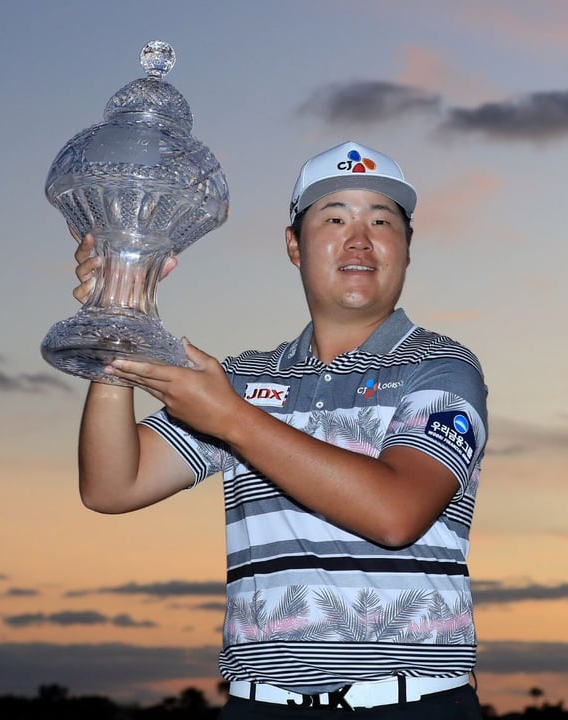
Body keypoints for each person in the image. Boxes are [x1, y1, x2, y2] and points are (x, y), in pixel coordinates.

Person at [73, 141, 488, 718]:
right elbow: (113, 485)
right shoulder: (242, 380)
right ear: (294, 246)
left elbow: (398, 513)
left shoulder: (442, 367)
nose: (359, 238)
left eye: (382, 220)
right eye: (335, 217)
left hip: (411, 703)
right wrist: (119, 326)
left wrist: (231, 420)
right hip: (259, 706)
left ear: (407, 248)